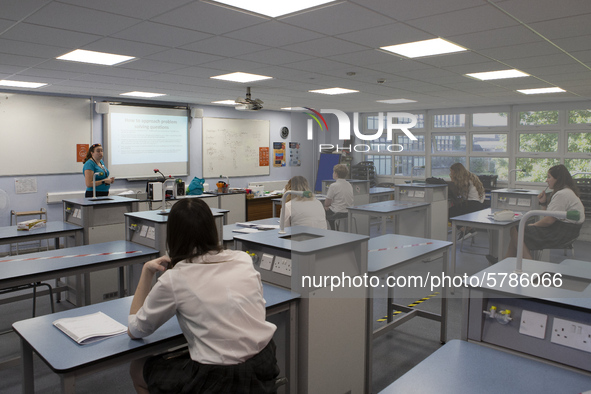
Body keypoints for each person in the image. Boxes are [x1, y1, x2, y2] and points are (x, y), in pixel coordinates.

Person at [127, 198, 279, 394]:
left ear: (173, 235)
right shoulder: (242, 259)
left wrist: (146, 272)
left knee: (137, 368)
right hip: (264, 362)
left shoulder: (175, 278)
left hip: (217, 379)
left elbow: (135, 329)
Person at [488, 164, 585, 263]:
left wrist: (534, 225)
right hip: (566, 230)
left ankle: (528, 262)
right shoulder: (566, 191)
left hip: (561, 232)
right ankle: (506, 261)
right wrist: (543, 203)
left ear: (558, 179)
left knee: (517, 229)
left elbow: (549, 220)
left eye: (549, 177)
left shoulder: (562, 194)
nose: (547, 180)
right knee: (517, 231)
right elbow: (549, 217)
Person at [447, 163, 486, 240]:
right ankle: (470, 229)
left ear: (456, 172)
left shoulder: (464, 180)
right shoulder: (471, 176)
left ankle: (464, 231)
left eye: (451, 172)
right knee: (457, 210)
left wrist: (452, 180)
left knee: (448, 212)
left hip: (472, 205)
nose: (450, 174)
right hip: (479, 205)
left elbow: (459, 195)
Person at [324, 164, 354, 230]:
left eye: (334, 172)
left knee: (324, 210)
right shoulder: (349, 184)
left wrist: (326, 206)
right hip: (348, 211)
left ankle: (332, 231)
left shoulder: (333, 186)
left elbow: (327, 202)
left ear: (336, 174)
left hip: (337, 212)